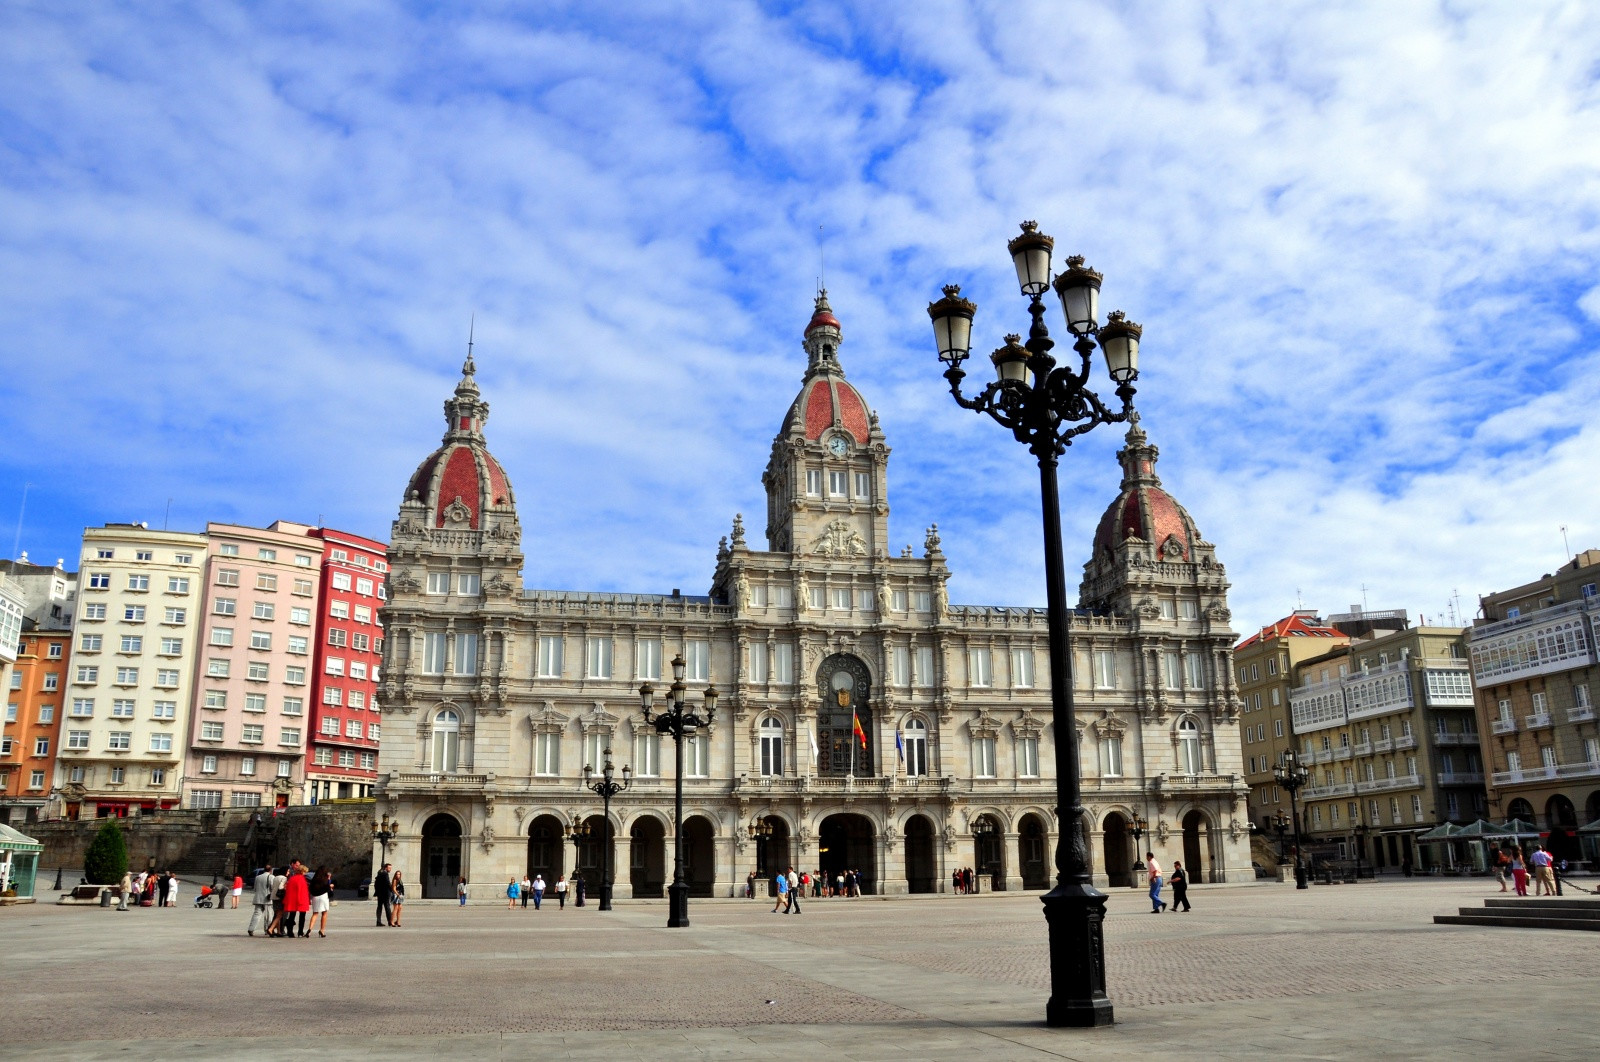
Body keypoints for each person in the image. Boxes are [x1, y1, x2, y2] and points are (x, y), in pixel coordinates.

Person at [282, 860, 311, 937]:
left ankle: (290, 931)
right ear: (302, 872)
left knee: (292, 915)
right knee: (302, 917)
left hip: (292, 899)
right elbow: (302, 891)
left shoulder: (292, 878)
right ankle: (300, 932)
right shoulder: (301, 879)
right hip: (301, 900)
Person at [248, 866, 275, 936]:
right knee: (268, 915)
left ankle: (251, 928)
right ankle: (268, 929)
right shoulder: (272, 877)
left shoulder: (258, 877)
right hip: (267, 899)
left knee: (256, 914)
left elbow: (255, 888)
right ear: (271, 870)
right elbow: (272, 888)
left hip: (258, 898)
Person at [308, 866, 332, 937]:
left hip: (315, 897)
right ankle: (322, 930)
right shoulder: (324, 879)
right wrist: (329, 879)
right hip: (323, 896)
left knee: (315, 913)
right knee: (324, 913)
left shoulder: (314, 879)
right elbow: (327, 888)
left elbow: (310, 888)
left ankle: (310, 929)